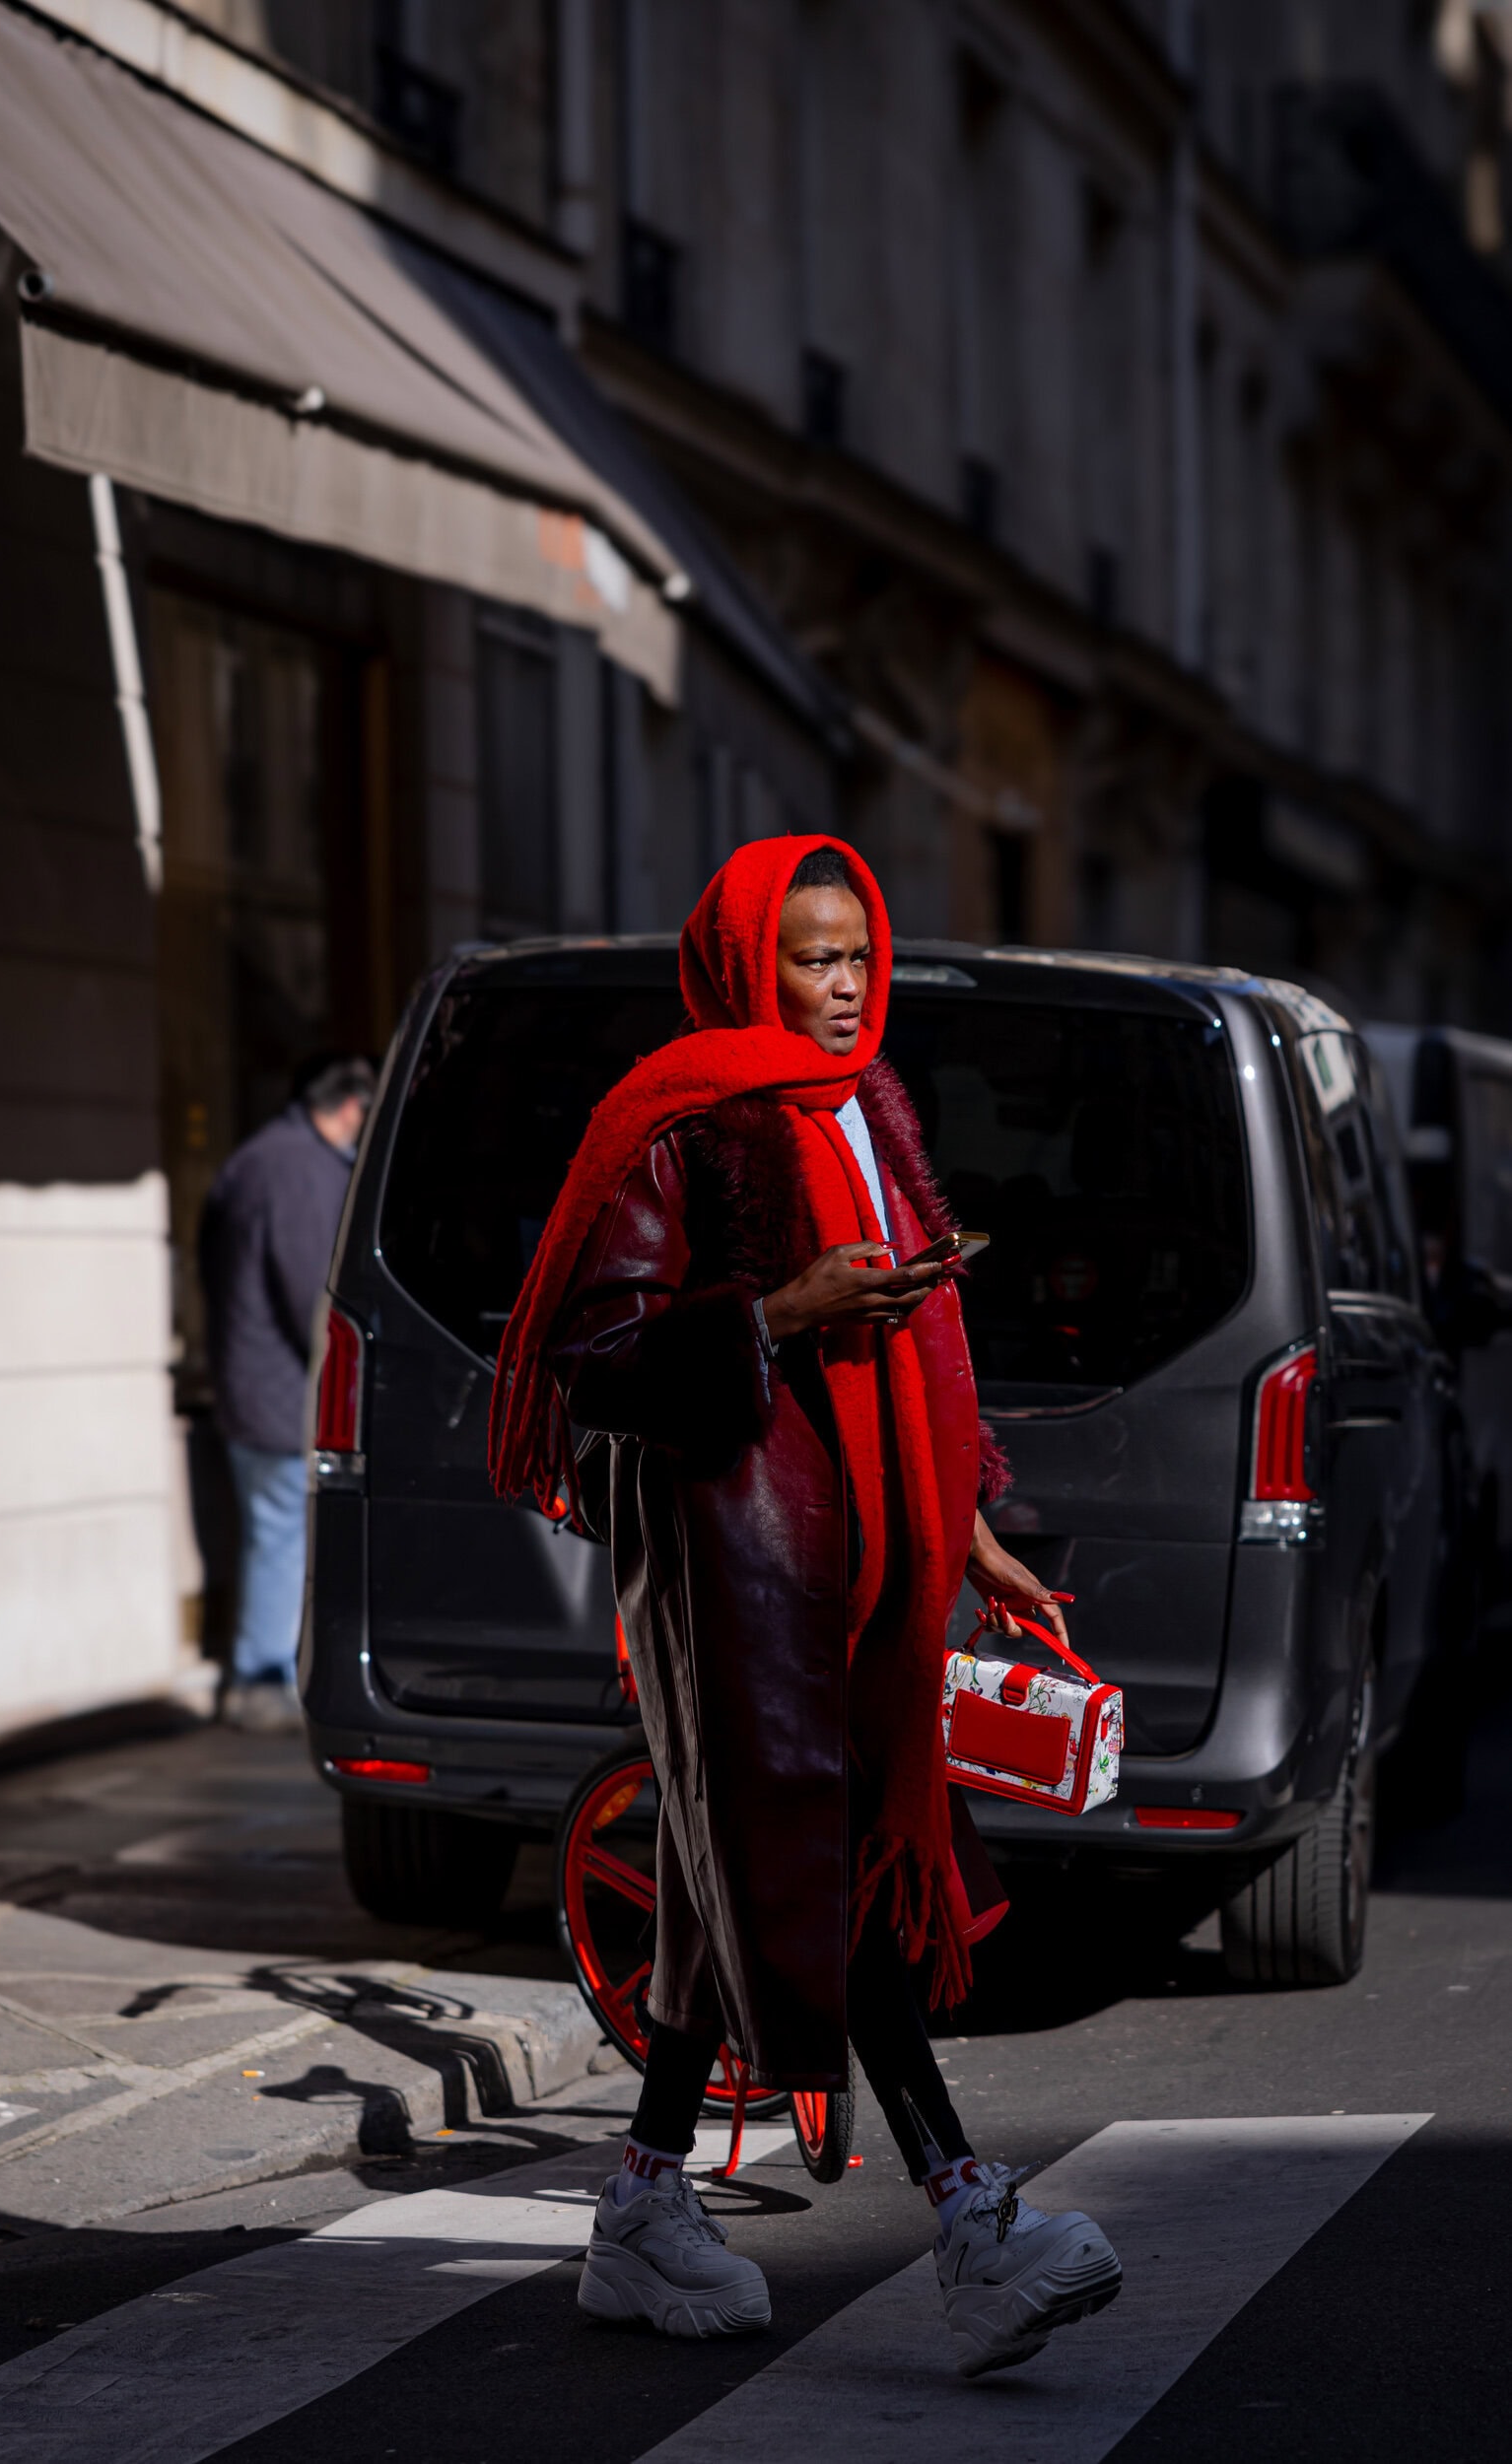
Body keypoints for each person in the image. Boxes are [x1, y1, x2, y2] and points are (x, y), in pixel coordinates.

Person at [489, 836, 1120, 2376]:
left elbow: (909, 1333)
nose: (842, 990)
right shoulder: (671, 1120)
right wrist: (780, 1312)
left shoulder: (866, 1111)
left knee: (739, 1865)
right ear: (742, 962)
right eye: (808, 960)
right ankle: (970, 2219)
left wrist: (965, 1527)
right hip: (735, 1554)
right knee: (814, 1853)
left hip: (865, 1545)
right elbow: (598, 1362)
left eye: (853, 957)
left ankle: (642, 2204)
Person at [199, 1053, 377, 1731]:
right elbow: (314, 1297)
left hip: (251, 1384)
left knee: (272, 1533)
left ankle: (264, 1669)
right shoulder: (298, 1168)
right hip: (279, 1395)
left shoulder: (257, 1157)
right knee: (281, 1535)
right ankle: (263, 1674)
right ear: (349, 1107)